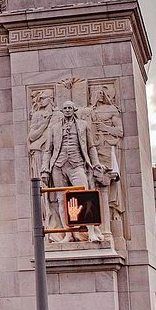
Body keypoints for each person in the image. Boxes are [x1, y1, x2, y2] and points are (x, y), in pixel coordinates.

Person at [39, 100, 105, 241]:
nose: (67, 110)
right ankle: (68, 234)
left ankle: (91, 232)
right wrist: (45, 168)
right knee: (61, 200)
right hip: (58, 166)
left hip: (77, 165)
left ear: (74, 109)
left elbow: (91, 146)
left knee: (85, 197)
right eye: (65, 108)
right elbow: (48, 150)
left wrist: (96, 163)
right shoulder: (54, 128)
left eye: (70, 108)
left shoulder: (83, 125)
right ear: (62, 111)